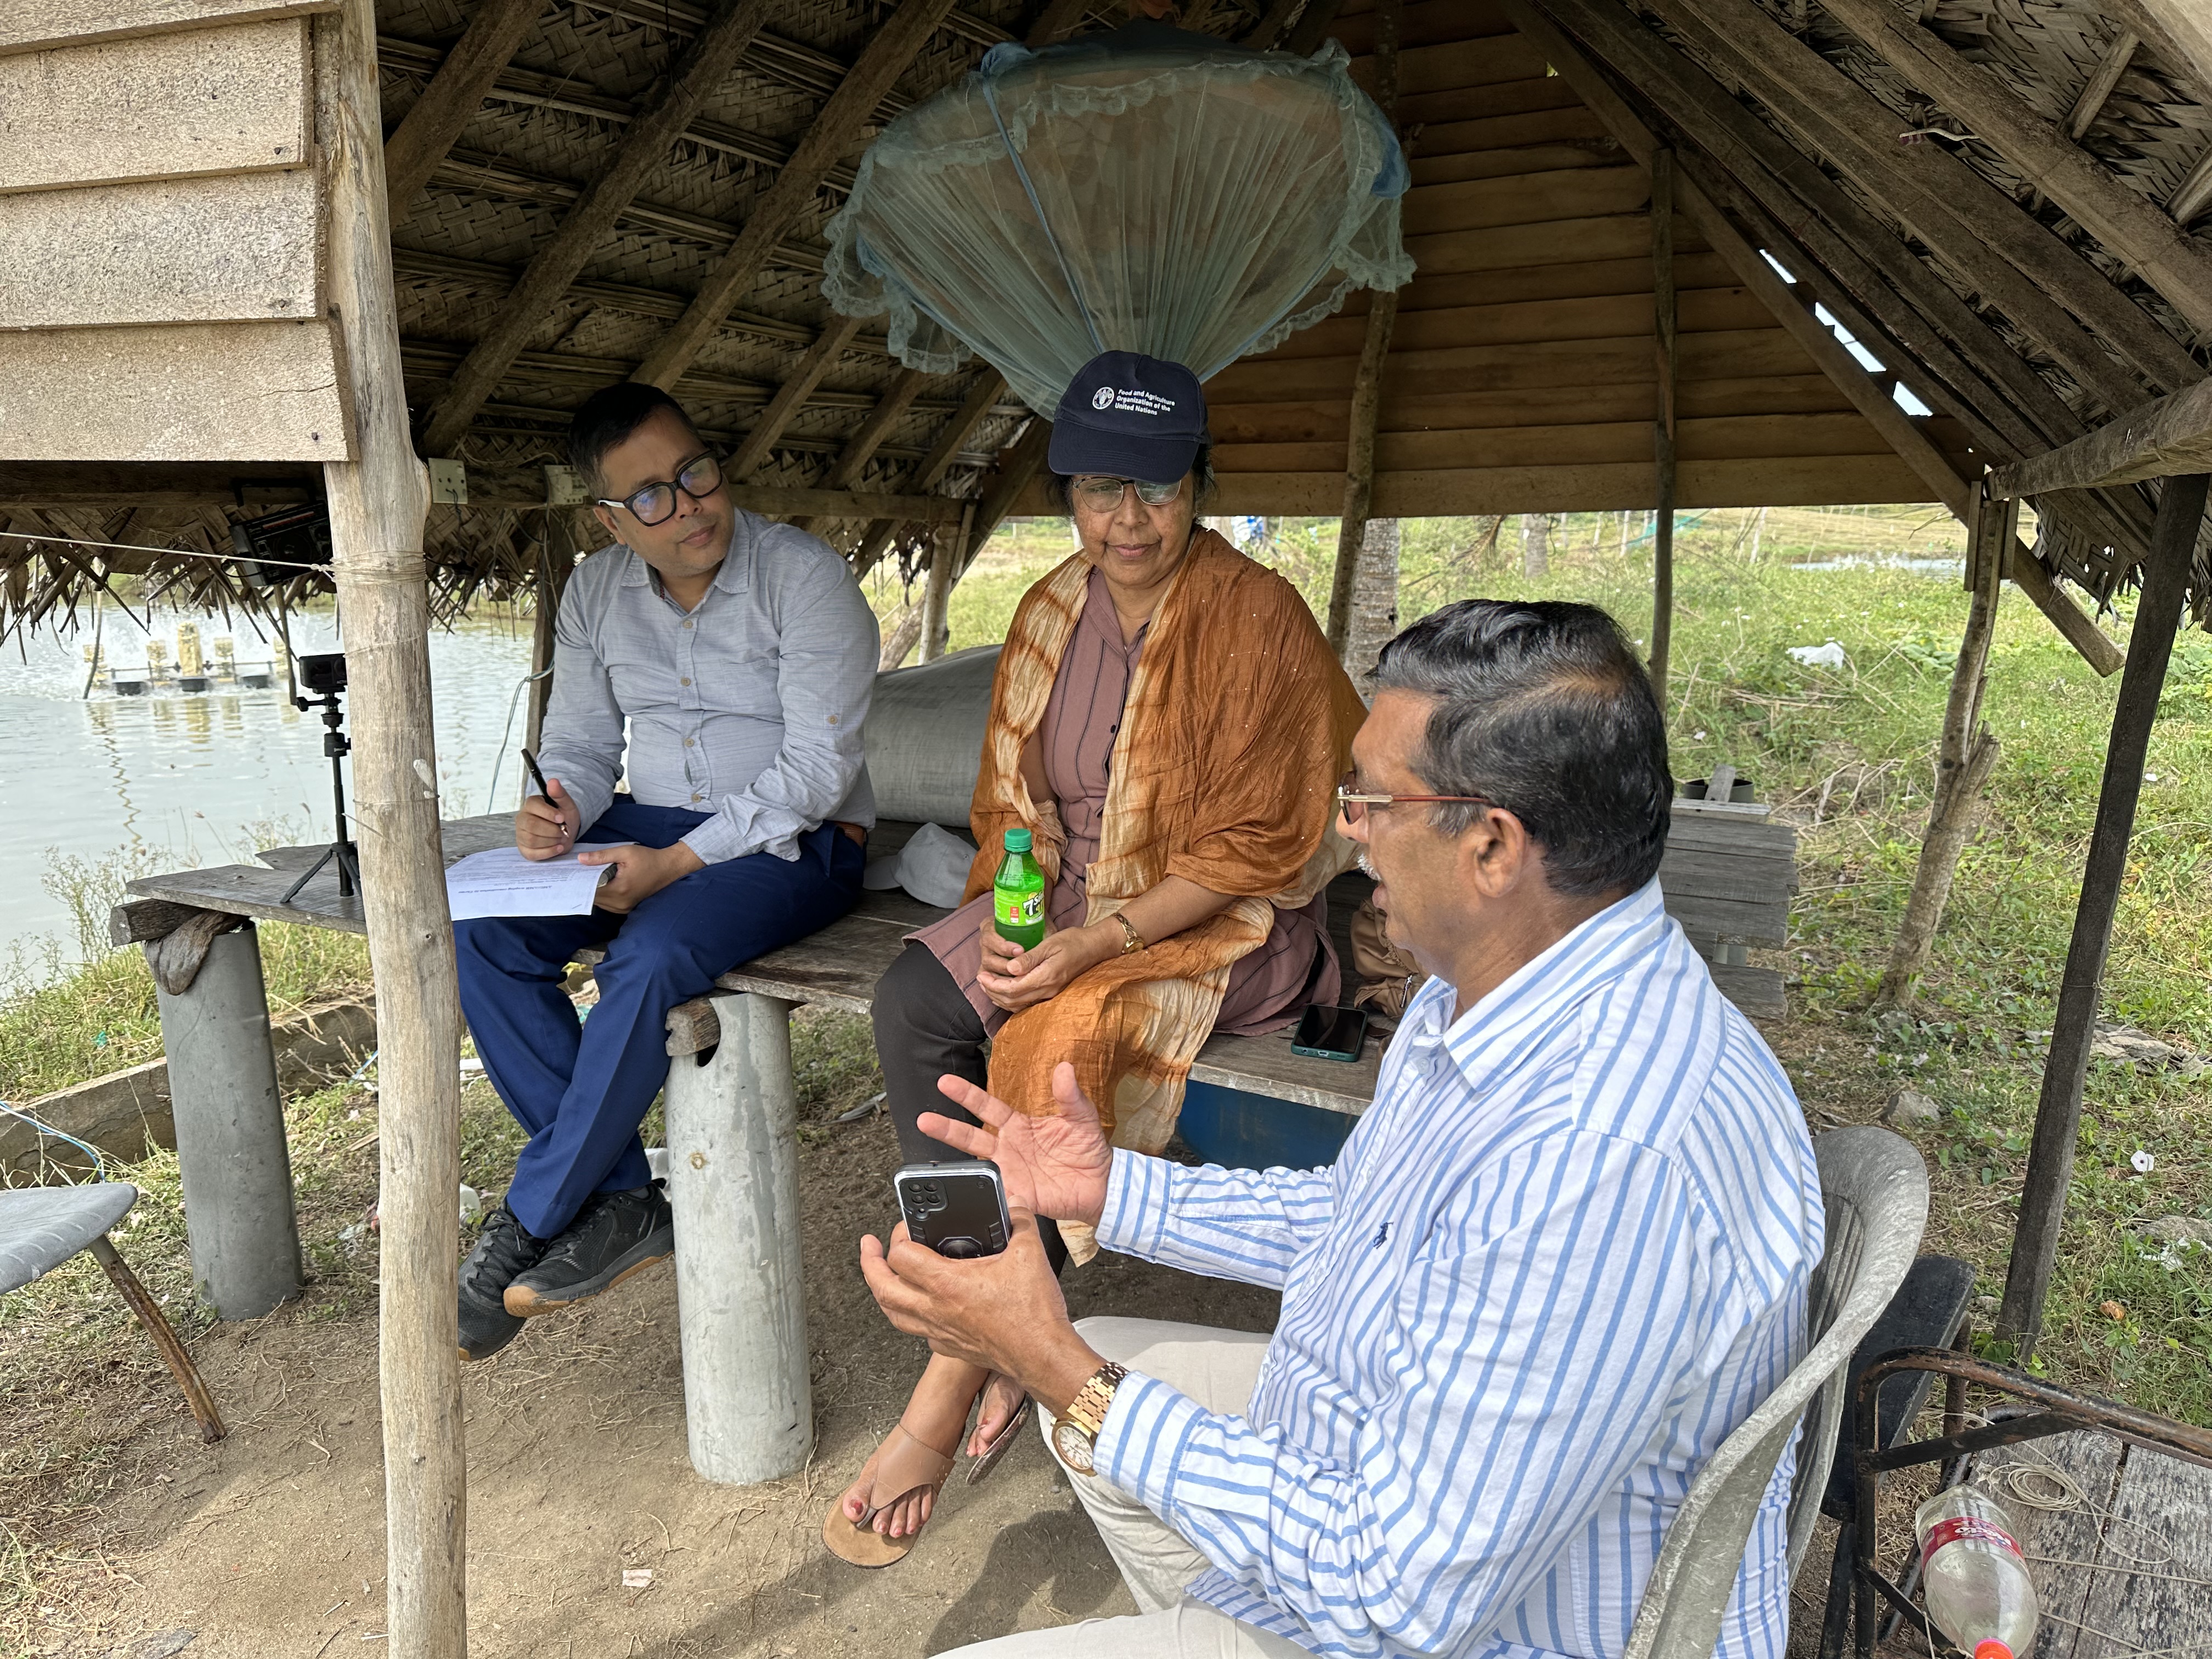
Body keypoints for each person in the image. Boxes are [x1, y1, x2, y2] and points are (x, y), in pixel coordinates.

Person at [858, 599, 1826, 1659]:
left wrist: (1054, 1364)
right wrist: (1114, 1193)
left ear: (1494, 847)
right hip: (1383, 1470)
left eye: (1368, 798)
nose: (1346, 829)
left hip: (1461, 1619)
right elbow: (1359, 1213)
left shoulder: (1601, 1157)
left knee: (1088, 1400)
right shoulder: (1487, 990)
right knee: (1093, 1410)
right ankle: (1221, 1620)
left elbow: (1396, 1595)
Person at [825, 351, 1369, 1565]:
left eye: (1158, 489)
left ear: (1199, 485)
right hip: (1068, 900)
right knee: (919, 994)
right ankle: (1004, 1287)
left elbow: (1257, 844)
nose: (1128, 520)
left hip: (1216, 922)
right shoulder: (1050, 610)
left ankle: (963, 1359)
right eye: (1098, 490)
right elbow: (1017, 801)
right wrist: (1025, 909)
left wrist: (1091, 944)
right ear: (1067, 492)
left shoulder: (1258, 616)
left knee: (1048, 1033)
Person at [451, 382, 878, 1363]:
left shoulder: (805, 580)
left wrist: (674, 863)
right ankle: (619, 1202)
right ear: (608, 520)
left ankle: (532, 1212)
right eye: (650, 496)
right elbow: (586, 747)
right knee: (486, 931)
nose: (687, 505)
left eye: (695, 472)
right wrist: (559, 805)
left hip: (801, 843)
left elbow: (815, 777)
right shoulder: (595, 593)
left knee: (649, 954)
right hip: (653, 825)